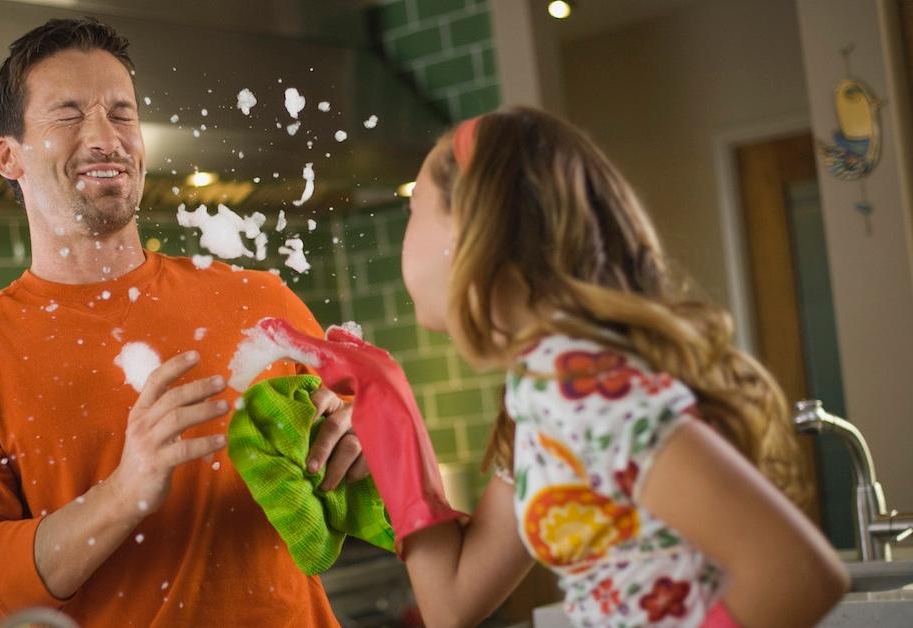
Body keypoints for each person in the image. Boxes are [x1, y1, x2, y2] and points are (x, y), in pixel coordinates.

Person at [260, 107, 849, 627]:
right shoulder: (540, 392)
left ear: (471, 230)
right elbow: (452, 603)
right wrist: (387, 406)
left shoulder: (583, 388)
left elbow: (798, 574)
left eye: (417, 208)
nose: (404, 236)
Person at [0, 17, 366, 627]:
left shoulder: (263, 301)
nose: (104, 138)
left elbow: (371, 458)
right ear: (8, 156)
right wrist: (125, 493)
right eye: (68, 115)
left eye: (121, 113)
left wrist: (363, 437)